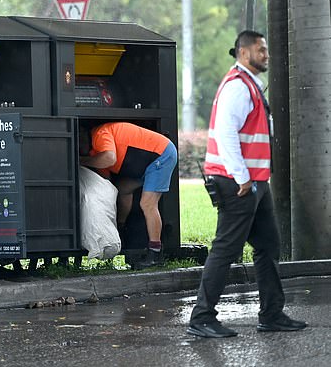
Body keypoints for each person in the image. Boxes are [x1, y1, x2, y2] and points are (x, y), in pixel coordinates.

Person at [187, 30, 307, 338]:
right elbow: (227, 133)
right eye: (260, 50)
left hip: (254, 182)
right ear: (244, 54)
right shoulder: (238, 88)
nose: (266, 54)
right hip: (237, 183)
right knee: (226, 249)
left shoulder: (250, 85)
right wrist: (242, 178)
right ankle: (201, 318)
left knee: (268, 246)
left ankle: (271, 314)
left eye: (266, 49)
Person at [79, 122, 177, 270]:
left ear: (84, 134)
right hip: (147, 164)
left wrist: (80, 161)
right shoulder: (94, 153)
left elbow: (109, 158)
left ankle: (155, 253)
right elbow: (107, 184)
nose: (80, 148)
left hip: (161, 155)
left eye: (80, 142)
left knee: (148, 204)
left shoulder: (100, 133)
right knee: (122, 189)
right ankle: (122, 228)